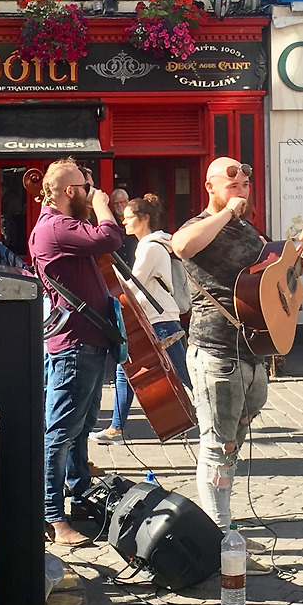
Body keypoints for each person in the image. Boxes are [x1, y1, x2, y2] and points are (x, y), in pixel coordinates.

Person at [171, 157, 272, 552]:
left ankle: (224, 516)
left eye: (245, 185)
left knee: (235, 437)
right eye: (233, 186)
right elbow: (181, 246)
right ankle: (219, 534)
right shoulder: (201, 224)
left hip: (252, 349)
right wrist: (227, 212)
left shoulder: (248, 228)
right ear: (210, 187)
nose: (241, 192)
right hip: (216, 348)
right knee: (217, 443)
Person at [29, 158, 123, 546]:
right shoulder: (56, 226)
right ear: (70, 191)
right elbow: (110, 239)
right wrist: (102, 205)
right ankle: (51, 515)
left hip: (85, 343)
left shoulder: (62, 225)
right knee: (60, 432)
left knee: (80, 428)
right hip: (74, 346)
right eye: (85, 188)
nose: (90, 193)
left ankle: (80, 496)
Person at [95, 193, 190, 444]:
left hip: (159, 320)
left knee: (182, 375)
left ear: (144, 218)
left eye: (128, 218)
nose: (124, 222)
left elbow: (132, 288)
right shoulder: (153, 245)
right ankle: (116, 429)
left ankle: (214, 418)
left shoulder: (150, 248)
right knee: (125, 371)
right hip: (157, 318)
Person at [110, 187, 137, 264]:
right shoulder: (110, 222)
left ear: (127, 201)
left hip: (134, 263)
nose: (119, 205)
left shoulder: (135, 220)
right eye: (116, 203)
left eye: (121, 202)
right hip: (117, 265)